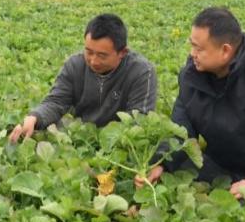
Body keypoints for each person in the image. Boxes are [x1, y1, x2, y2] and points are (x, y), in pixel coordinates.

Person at [139, 7, 245, 198]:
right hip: (224, 166)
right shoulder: (192, 75)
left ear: (225, 50)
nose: (192, 54)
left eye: (199, 49)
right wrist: (162, 163)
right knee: (174, 172)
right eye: (192, 46)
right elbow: (180, 128)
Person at [9, 13, 157, 142]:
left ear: (122, 53)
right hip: (79, 136)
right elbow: (56, 101)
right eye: (89, 52)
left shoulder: (141, 71)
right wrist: (35, 117)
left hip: (119, 141)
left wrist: (108, 141)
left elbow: (139, 120)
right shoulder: (75, 65)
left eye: (102, 55)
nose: (93, 61)